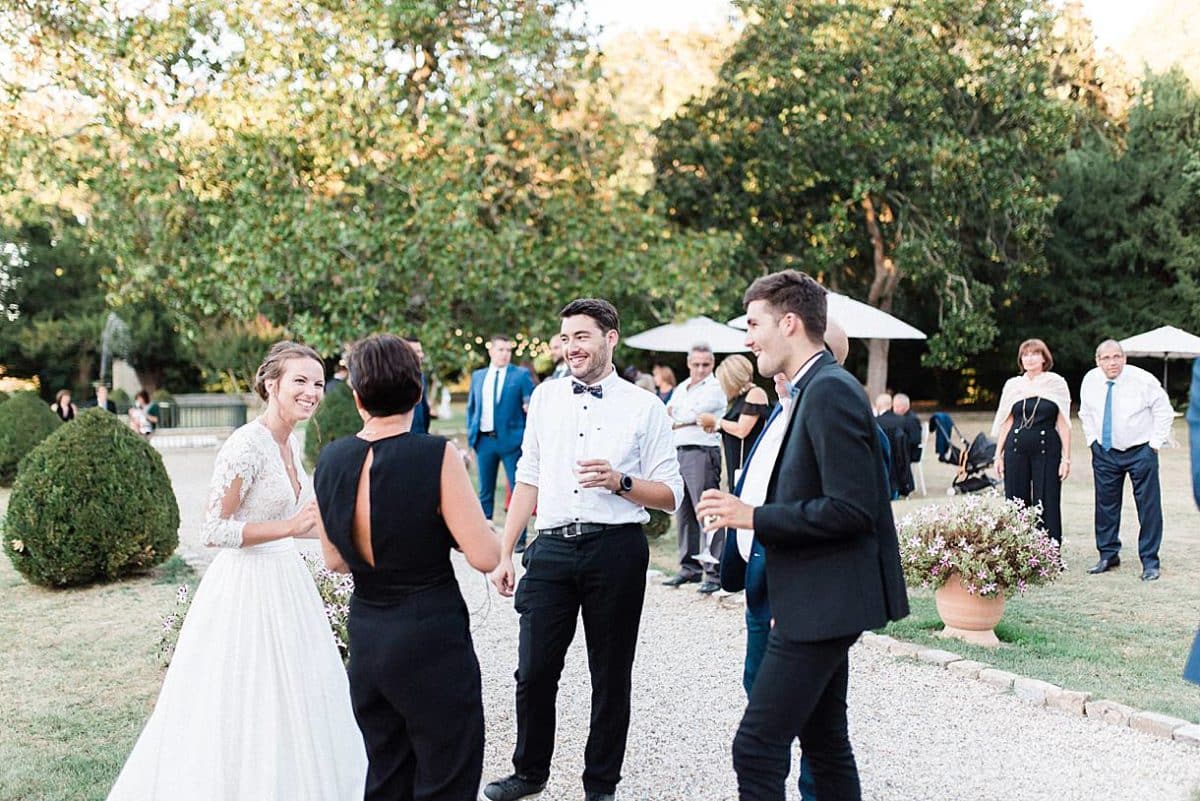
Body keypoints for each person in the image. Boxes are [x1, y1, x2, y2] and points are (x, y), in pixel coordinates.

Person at [106, 342, 366, 800]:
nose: (312, 392)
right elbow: (213, 528)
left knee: (300, 695)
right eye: (300, 381)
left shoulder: (291, 442)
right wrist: (289, 525)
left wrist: (357, 545)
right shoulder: (246, 445)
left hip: (288, 584)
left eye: (319, 383)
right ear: (272, 384)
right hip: (246, 589)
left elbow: (302, 526)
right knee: (246, 699)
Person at [697, 270, 908, 801]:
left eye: (754, 324)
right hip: (812, 597)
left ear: (789, 323)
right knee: (823, 742)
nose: (747, 339)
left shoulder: (830, 391)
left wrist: (753, 517)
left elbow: (853, 508)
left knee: (756, 746)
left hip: (825, 604)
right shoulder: (813, 388)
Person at [481, 298, 683, 801]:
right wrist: (506, 551)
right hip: (549, 549)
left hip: (615, 550)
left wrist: (620, 482)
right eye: (566, 338)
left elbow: (671, 494)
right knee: (533, 671)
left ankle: (601, 786)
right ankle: (529, 773)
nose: (571, 347)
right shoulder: (546, 398)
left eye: (582, 336)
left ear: (610, 338)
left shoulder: (645, 406)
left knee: (610, 674)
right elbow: (526, 477)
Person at [313, 334, 499, 801]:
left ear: (357, 398)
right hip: (429, 636)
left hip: (368, 637)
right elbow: (486, 556)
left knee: (386, 775)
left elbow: (335, 560)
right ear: (418, 392)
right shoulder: (436, 455)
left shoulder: (330, 459)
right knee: (447, 776)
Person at [718, 317, 852, 801]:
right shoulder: (781, 411)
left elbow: (848, 515)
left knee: (787, 730)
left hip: (797, 593)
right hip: (761, 580)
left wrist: (801, 599)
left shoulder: (835, 409)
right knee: (774, 701)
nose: (775, 370)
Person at [1078, 339, 1173, 581]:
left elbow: (1164, 410)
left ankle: (1150, 561)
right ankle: (1108, 554)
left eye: (1116, 357)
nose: (1112, 362)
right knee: (1105, 504)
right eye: (1106, 358)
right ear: (1098, 361)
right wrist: (1092, 441)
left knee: (1148, 506)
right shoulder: (1090, 380)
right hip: (1105, 451)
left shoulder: (1143, 380)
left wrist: (1154, 444)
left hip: (1141, 450)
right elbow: (1086, 413)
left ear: (1124, 358)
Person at [991, 339, 1072, 543]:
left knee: (1048, 498)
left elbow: (1063, 423)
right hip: (1016, 447)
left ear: (1044, 358)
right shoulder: (1014, 385)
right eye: (1025, 355)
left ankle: (1049, 548)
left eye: (1034, 354)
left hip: (1047, 448)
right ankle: (1018, 547)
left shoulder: (1056, 383)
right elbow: (1006, 421)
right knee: (1016, 498)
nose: (1029, 358)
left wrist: (1066, 459)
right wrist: (997, 455)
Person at [662, 343, 728, 593]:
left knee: (707, 511)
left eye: (706, 364)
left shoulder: (715, 386)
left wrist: (678, 417)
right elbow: (669, 415)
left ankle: (714, 572)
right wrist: (680, 418)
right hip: (679, 451)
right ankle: (689, 568)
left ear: (712, 364)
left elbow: (691, 415)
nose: (701, 369)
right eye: (696, 364)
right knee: (684, 512)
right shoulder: (682, 387)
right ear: (688, 363)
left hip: (701, 452)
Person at [466, 335, 536, 552]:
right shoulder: (478, 376)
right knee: (484, 491)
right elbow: (472, 408)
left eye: (508, 350)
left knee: (518, 490)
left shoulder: (520, 375)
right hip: (485, 441)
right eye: (501, 350)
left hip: (512, 442)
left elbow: (530, 407)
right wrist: (472, 438)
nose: (505, 354)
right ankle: (484, 537)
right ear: (491, 351)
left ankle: (519, 540)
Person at [697, 354, 770, 488]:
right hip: (734, 464)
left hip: (748, 464)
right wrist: (715, 426)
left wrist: (716, 421)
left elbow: (742, 430)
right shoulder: (737, 399)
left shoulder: (755, 393)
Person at [403, 335, 432, 434]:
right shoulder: (393, 379)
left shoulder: (421, 377)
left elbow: (424, 409)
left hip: (421, 436)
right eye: (417, 352)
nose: (421, 355)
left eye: (421, 351)